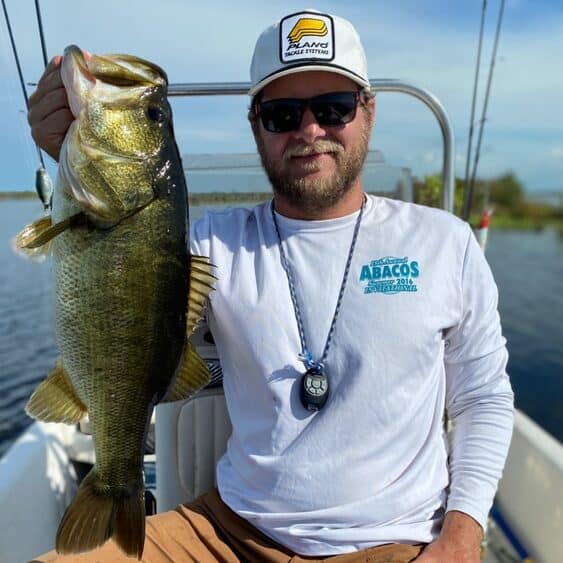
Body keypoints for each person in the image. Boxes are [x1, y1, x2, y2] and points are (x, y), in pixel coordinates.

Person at [29, 9, 514, 563]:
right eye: (283, 114)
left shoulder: (442, 242)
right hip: (223, 531)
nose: (310, 131)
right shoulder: (210, 243)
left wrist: (462, 533)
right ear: (256, 123)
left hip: (392, 540)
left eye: (334, 108)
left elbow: (483, 397)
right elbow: (122, 287)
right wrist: (69, 159)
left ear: (368, 112)